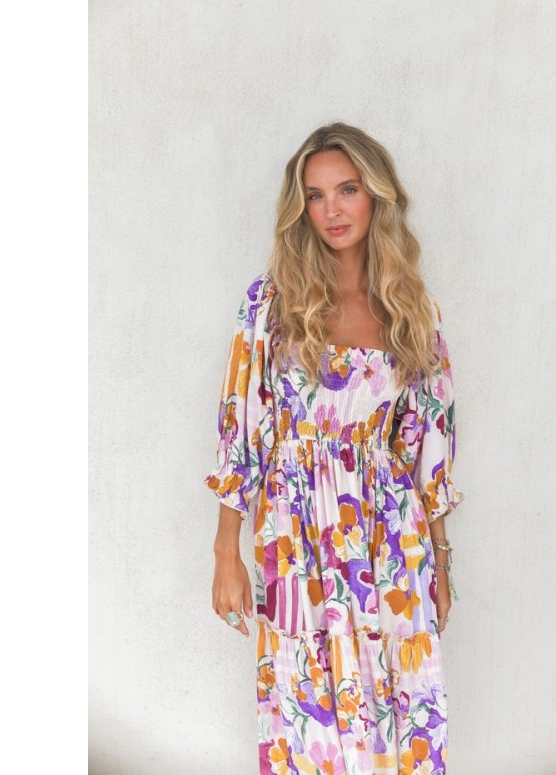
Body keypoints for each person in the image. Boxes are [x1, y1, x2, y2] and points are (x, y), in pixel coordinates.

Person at [205, 122, 465, 775]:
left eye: (347, 190)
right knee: (307, 712)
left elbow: (427, 444)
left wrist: (440, 561)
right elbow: (243, 430)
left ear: (377, 195)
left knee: (396, 704)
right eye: (315, 196)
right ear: (301, 208)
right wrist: (225, 552)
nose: (332, 210)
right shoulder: (272, 304)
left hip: (389, 534)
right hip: (295, 532)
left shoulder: (413, 311)